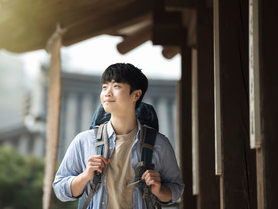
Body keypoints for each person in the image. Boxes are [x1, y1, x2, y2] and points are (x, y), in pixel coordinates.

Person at [53, 63, 184, 209]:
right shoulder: (84, 141)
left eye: (116, 86)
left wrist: (159, 190)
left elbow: (176, 190)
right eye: (104, 87)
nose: (107, 93)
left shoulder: (159, 144)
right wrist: (85, 176)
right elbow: (60, 189)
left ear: (136, 94)